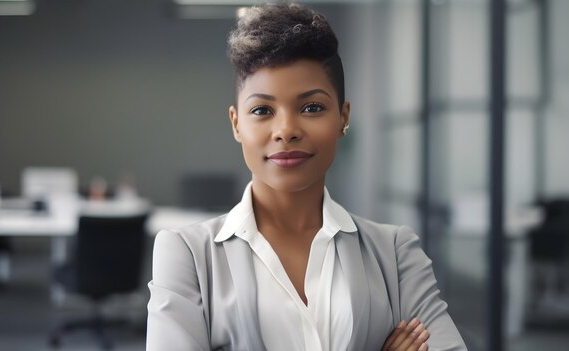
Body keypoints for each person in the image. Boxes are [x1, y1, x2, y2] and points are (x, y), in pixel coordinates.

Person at [147, 3, 467, 351]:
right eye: (262, 110)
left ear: (343, 118)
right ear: (237, 123)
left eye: (311, 107)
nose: (286, 130)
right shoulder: (187, 255)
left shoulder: (395, 253)